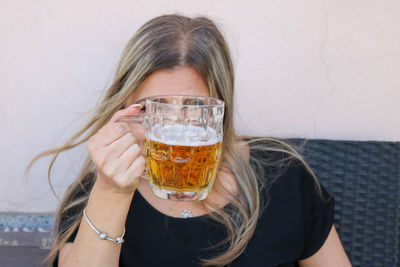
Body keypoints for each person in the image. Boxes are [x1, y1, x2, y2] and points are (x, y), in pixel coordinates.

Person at [32, 14, 351, 266]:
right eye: (153, 109)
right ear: (125, 108)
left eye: (193, 109)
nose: (175, 128)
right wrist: (113, 192)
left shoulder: (284, 177)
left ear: (219, 111)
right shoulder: (95, 196)